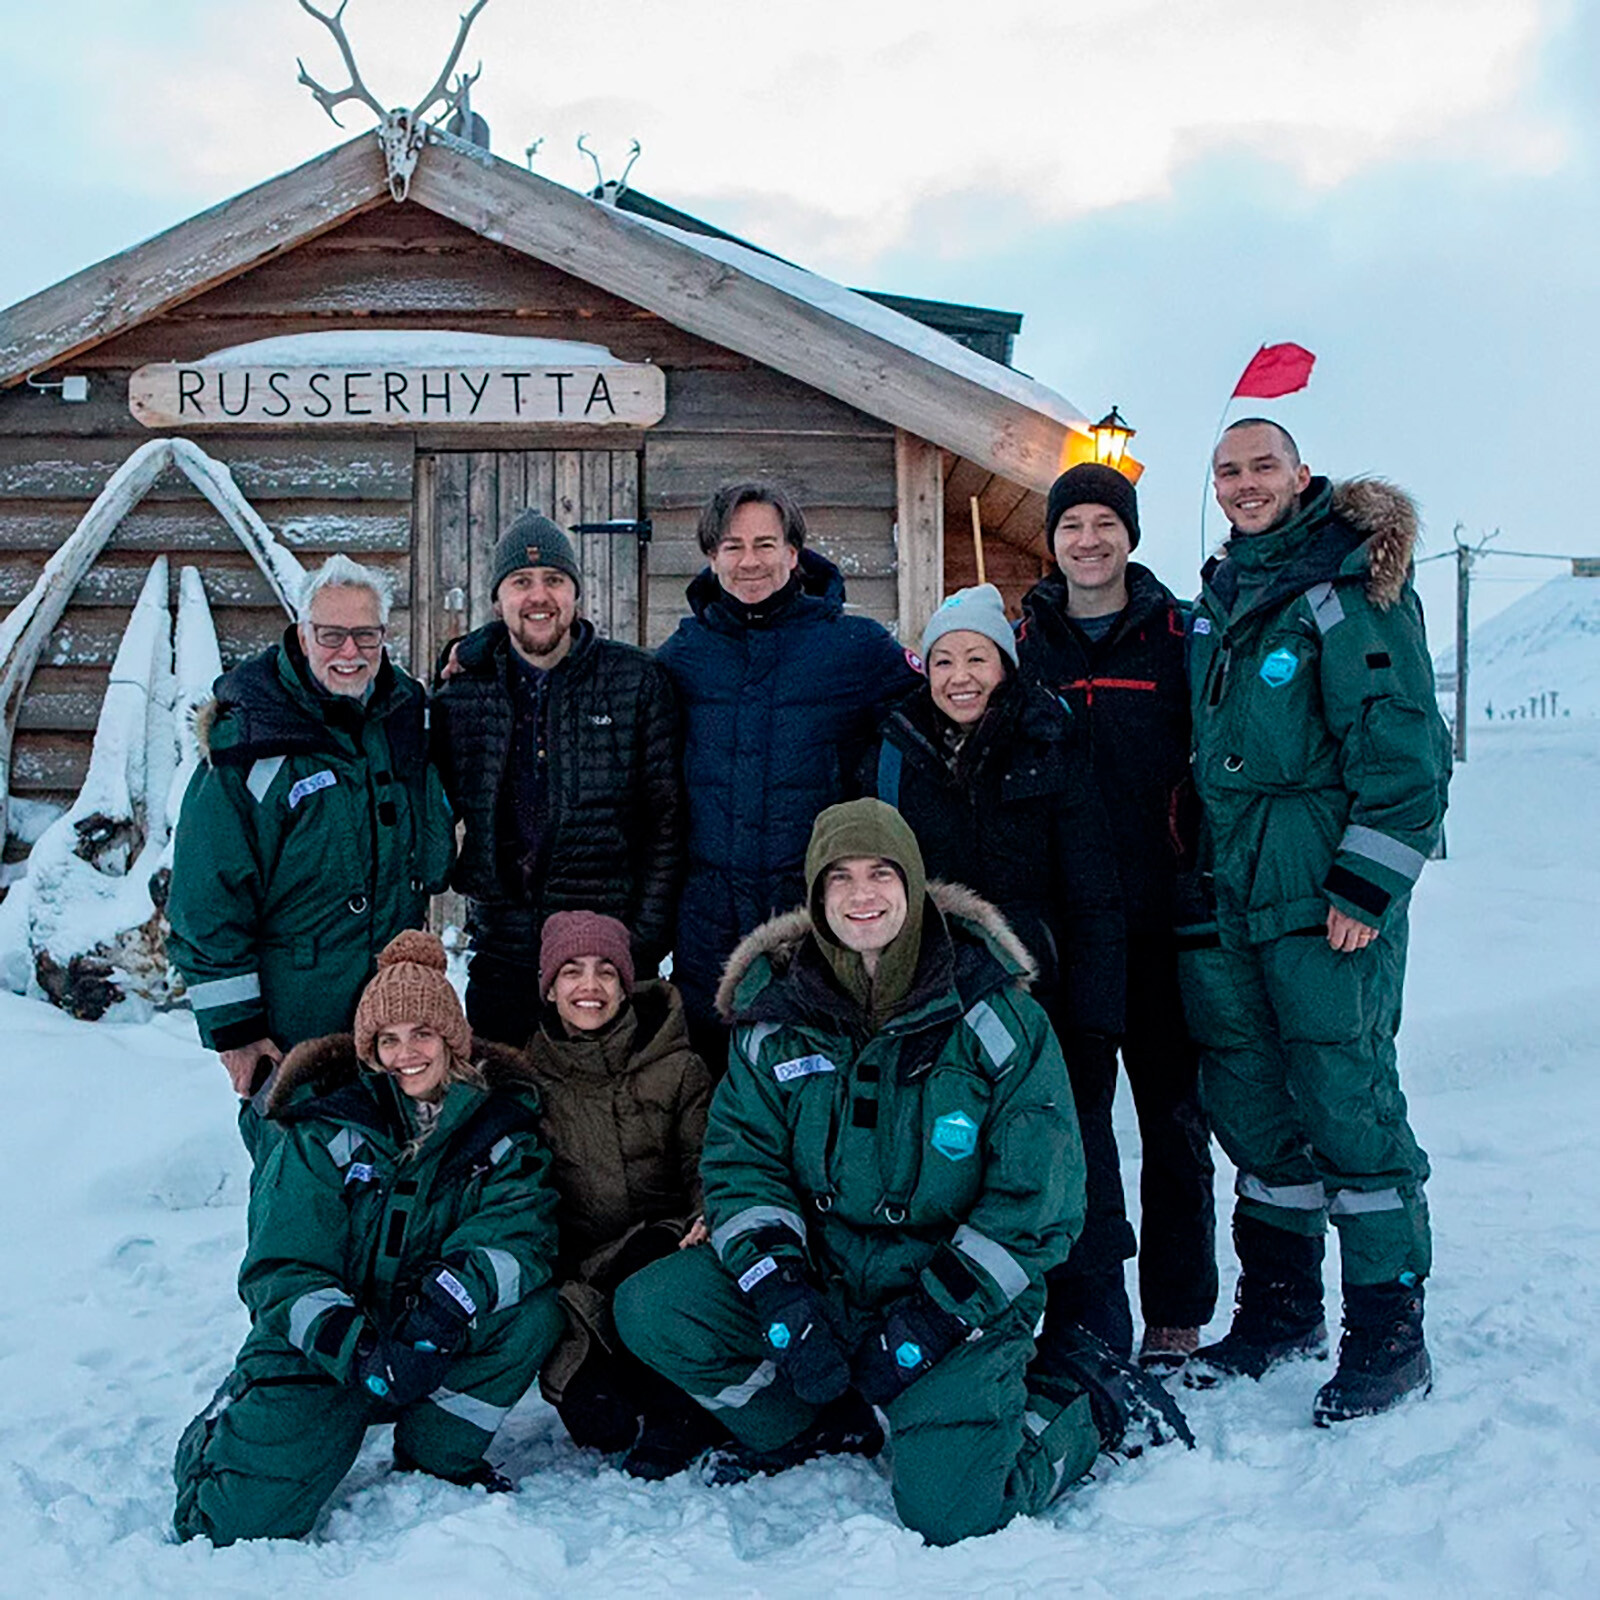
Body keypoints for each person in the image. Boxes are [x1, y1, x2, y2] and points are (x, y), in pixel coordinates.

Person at [614, 800, 1189, 1545]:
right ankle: (816, 1426)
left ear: (913, 886)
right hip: (828, 1277)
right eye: (840, 878)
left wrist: (935, 1316)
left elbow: (1038, 1203)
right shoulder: (775, 1018)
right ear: (816, 900)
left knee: (955, 1514)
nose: (863, 895)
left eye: (882, 874)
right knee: (656, 1308)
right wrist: (780, 1288)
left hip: (953, 1292)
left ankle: (1092, 1403)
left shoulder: (998, 1019)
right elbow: (743, 1165)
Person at [1180, 419, 1450, 1424]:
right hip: (1232, 897)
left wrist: (1365, 889)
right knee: (1252, 1104)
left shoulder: (1347, 591)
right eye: (1227, 471)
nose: (1244, 485)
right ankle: (1281, 1304)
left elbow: (1404, 752)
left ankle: (1388, 1328)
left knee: (1348, 1100)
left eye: (1261, 468)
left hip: (1322, 898)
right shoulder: (1219, 596)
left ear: (1300, 476)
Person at [173, 931, 563, 1546]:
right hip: (331, 1345)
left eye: (422, 1034)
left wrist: (447, 1304)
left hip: (428, 1331)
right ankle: (223, 1426)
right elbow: (283, 1270)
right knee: (231, 1525)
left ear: (452, 1040)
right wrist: (359, 1354)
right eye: (389, 1040)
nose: (407, 1054)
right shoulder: (322, 1130)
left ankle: (438, 1451)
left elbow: (522, 1232)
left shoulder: (500, 1131)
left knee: (531, 1315)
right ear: (370, 1051)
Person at [860, 583, 1136, 1359]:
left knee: (1070, 1151)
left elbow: (1094, 894)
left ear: (1006, 665)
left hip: (1042, 996)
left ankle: (1093, 1325)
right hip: (933, 1001)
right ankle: (969, 1325)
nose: (960, 676)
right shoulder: (892, 750)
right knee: (955, 1159)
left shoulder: (1049, 741)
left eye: (978, 657)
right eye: (945, 659)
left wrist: (1096, 1021)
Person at [1018, 466, 1218, 1372]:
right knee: (1081, 1129)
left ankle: (1177, 1309)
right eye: (1072, 526)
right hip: (1068, 937)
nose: (1089, 540)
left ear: (1130, 535)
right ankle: (1088, 1310)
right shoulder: (1027, 646)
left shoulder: (1179, 636)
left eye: (1106, 523)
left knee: (1176, 1125)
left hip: (1165, 921)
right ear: (1051, 540)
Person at [167, 555, 454, 1137]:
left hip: (390, 1015)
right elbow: (205, 900)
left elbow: (431, 852)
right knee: (303, 1190)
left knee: (393, 1185)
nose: (349, 651)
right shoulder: (251, 742)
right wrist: (238, 1033)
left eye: (365, 635)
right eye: (331, 634)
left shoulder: (402, 719)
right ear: (302, 634)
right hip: (293, 1022)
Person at [655, 482, 919, 1071]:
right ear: (711, 557)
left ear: (795, 554)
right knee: (715, 1100)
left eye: (766, 543)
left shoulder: (855, 648)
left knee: (812, 1091)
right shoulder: (684, 655)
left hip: (811, 924)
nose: (750, 560)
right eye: (733, 546)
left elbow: (945, 704)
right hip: (708, 929)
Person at [432, 510, 684, 1047]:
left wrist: (642, 942)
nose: (539, 596)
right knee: (506, 1107)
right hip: (505, 953)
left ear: (576, 594)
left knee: (608, 1122)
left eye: (554, 580)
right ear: (498, 602)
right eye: (521, 582)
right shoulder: (462, 695)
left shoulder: (635, 682)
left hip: (606, 955)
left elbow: (667, 822)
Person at [523, 910, 724, 1479]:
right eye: (571, 973)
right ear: (550, 988)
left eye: (605, 972)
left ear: (626, 983)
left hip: (668, 1251)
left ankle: (681, 1410)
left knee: (649, 1272)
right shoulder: (531, 1082)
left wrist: (706, 1211)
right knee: (598, 1423)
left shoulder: (679, 1066)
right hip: (586, 1275)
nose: (589, 987)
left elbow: (704, 1160)